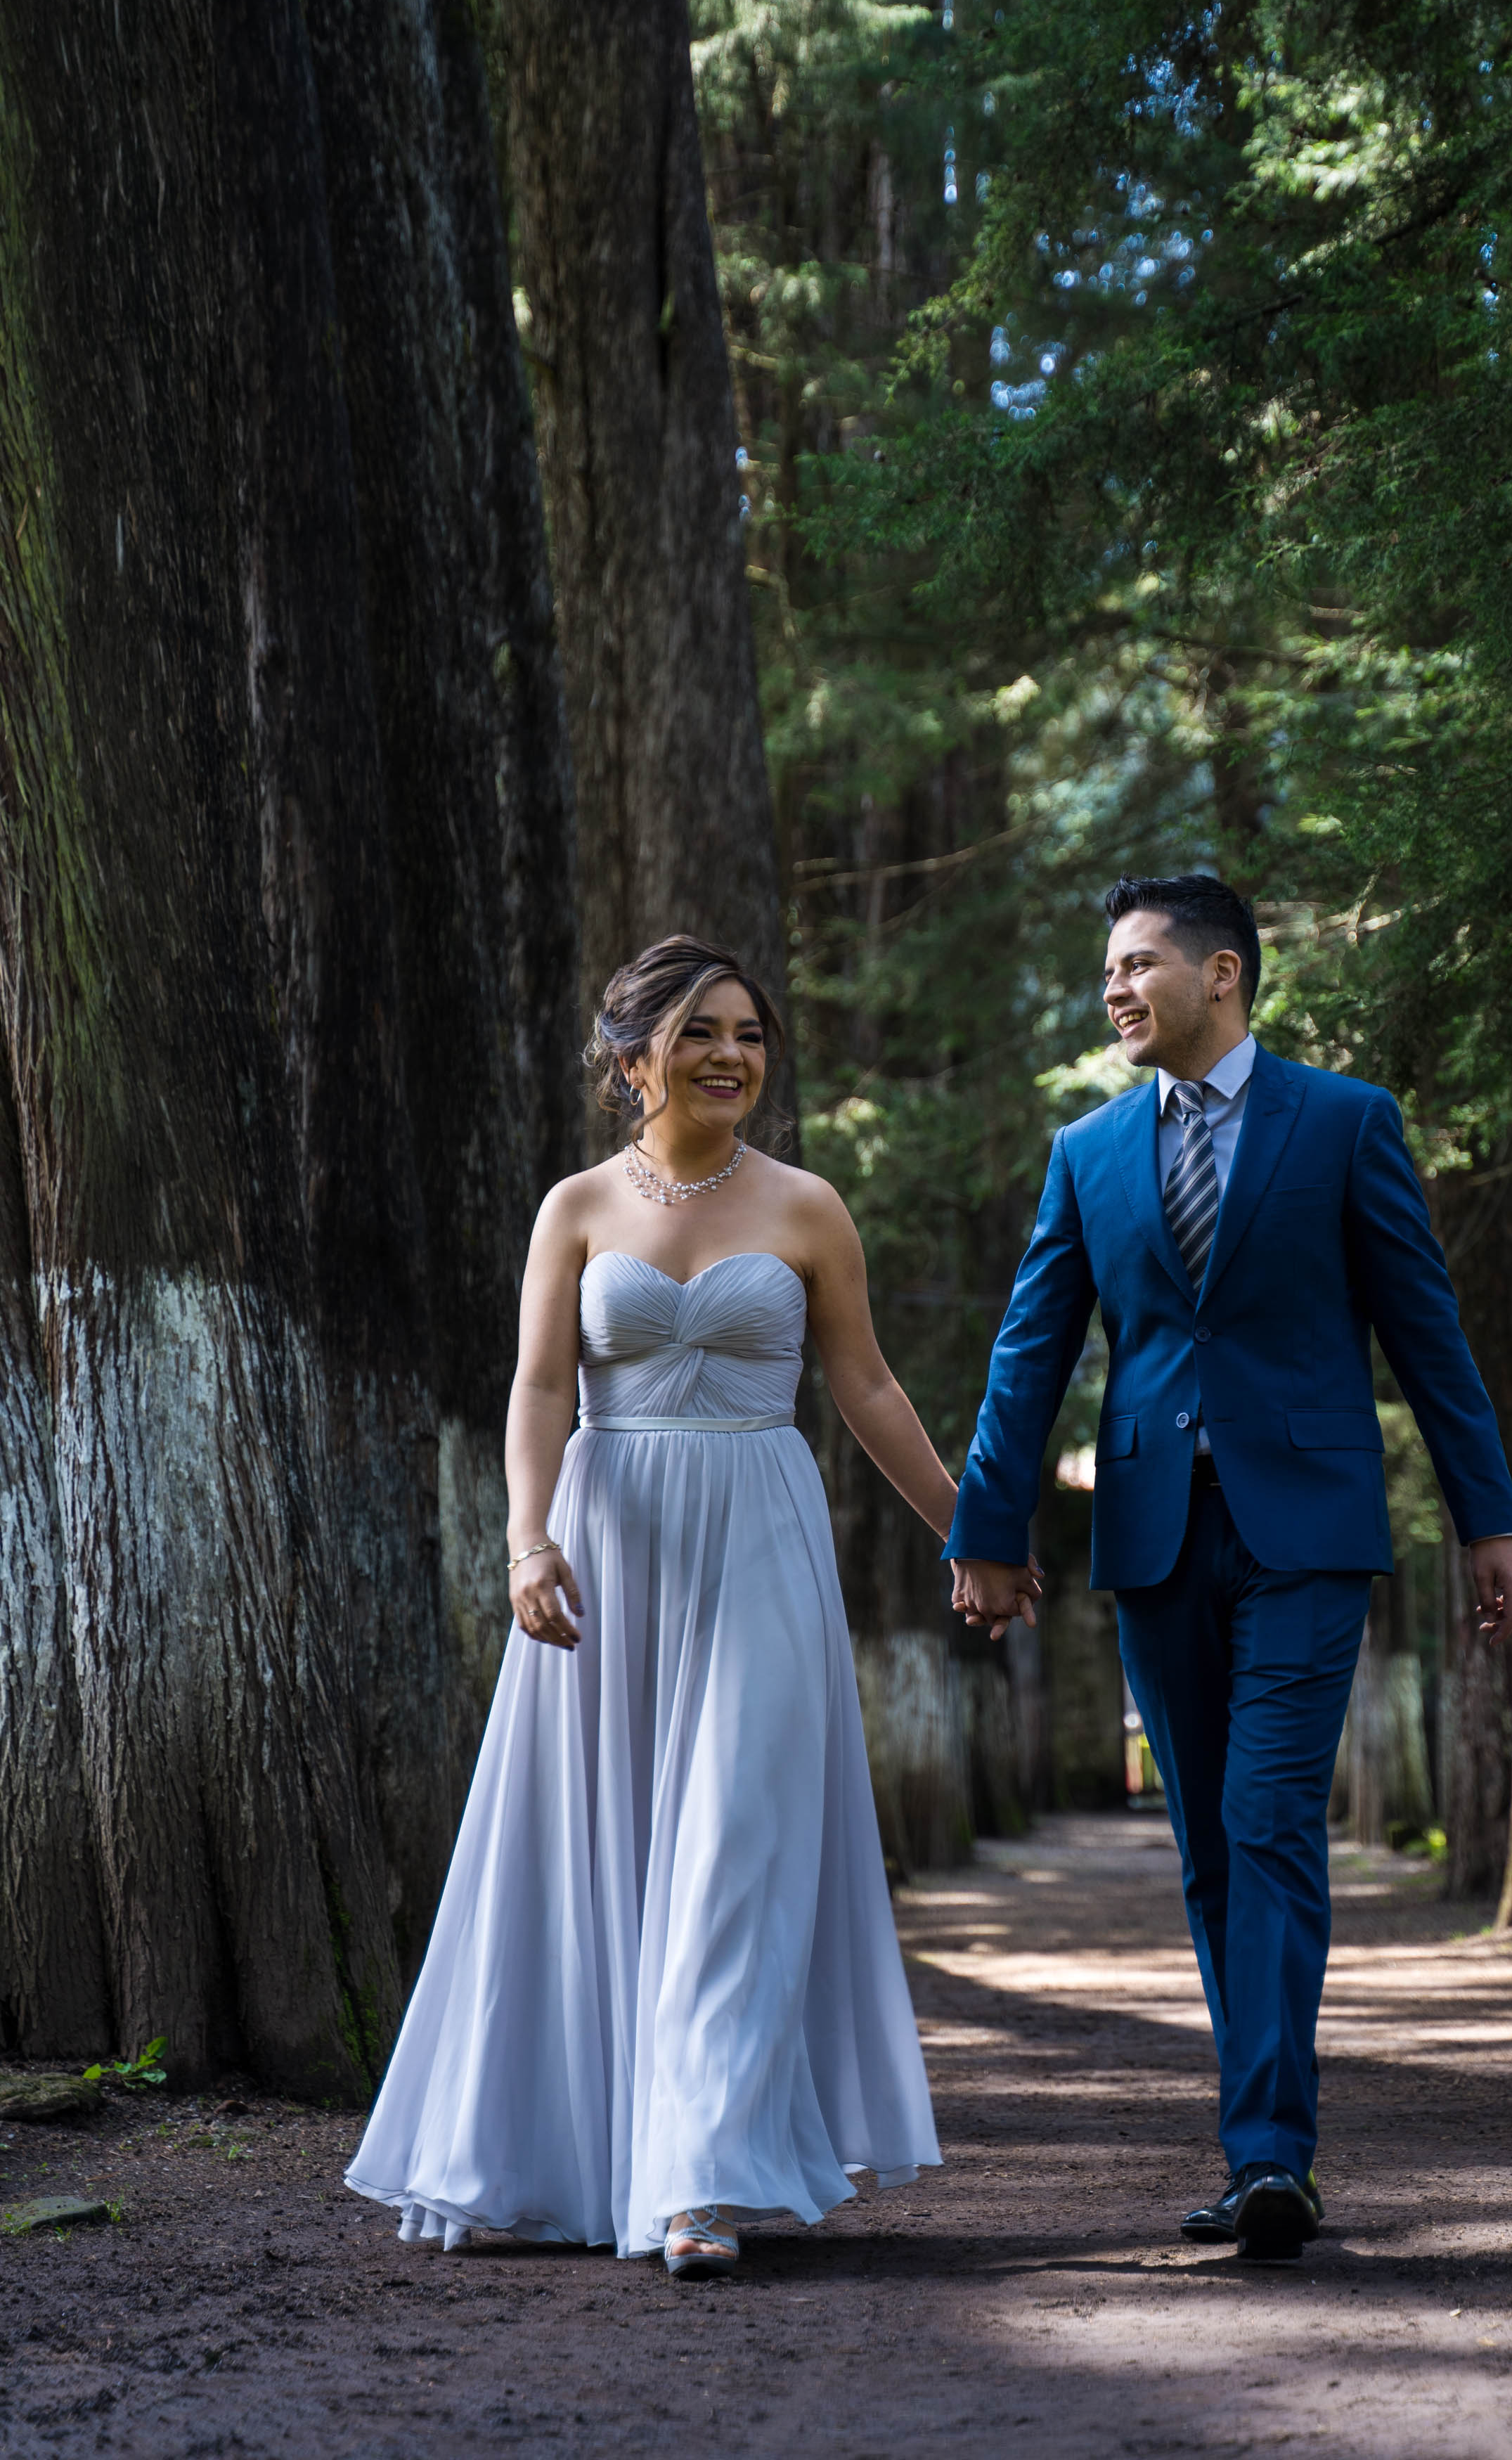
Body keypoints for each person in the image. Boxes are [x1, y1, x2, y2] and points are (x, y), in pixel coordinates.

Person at [347, 935, 951, 2277]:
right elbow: (538, 1390)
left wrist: (970, 1530)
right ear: (633, 1061)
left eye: (748, 1033)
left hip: (760, 1540)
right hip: (608, 1549)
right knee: (597, 1848)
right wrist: (525, 1543)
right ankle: (563, 2158)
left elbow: (864, 1387)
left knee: (736, 1846)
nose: (732, 1055)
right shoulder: (575, 1209)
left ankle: (698, 2180)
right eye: (699, 1033)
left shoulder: (807, 1207)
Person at [945, 873, 1512, 2261]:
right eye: (1106, 972)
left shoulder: (1343, 1122)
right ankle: (1257, 2141)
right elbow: (1030, 1352)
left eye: (1138, 964)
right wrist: (987, 1528)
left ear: (1222, 974)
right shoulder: (1087, 1152)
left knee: (1267, 1820)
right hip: (1154, 1535)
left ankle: (1271, 2155)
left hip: (1305, 1532)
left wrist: (1485, 1515)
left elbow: (1424, 1330)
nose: (1115, 990)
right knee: (1209, 1844)